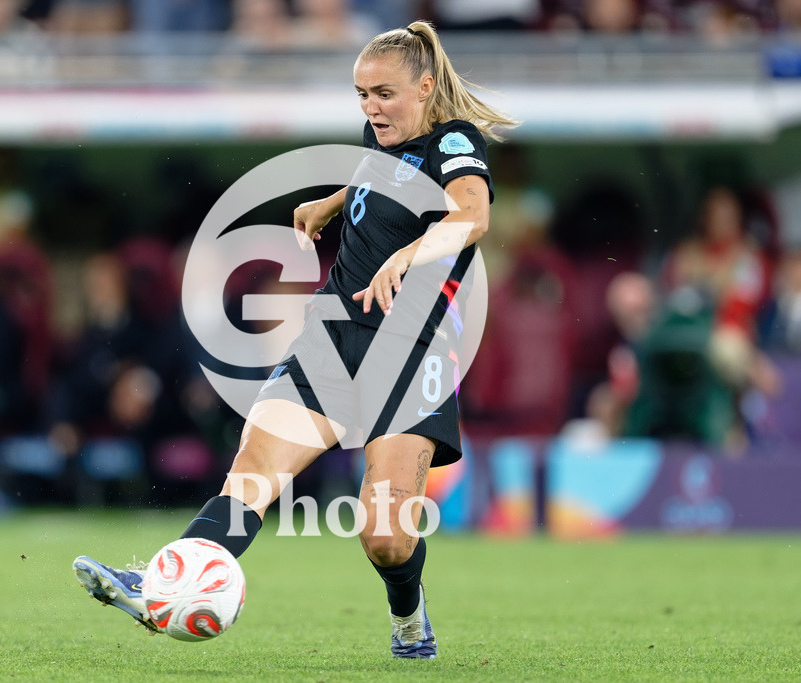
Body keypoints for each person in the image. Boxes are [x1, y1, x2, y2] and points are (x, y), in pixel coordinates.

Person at [72, 20, 516, 659]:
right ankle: (159, 584)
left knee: (387, 537)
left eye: (384, 94)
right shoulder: (381, 139)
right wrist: (331, 203)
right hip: (333, 336)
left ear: (424, 88)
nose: (371, 108)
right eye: (362, 94)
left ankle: (409, 618)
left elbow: (471, 215)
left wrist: (407, 256)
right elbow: (383, 180)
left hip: (409, 350)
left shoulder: (453, 141)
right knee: (251, 473)